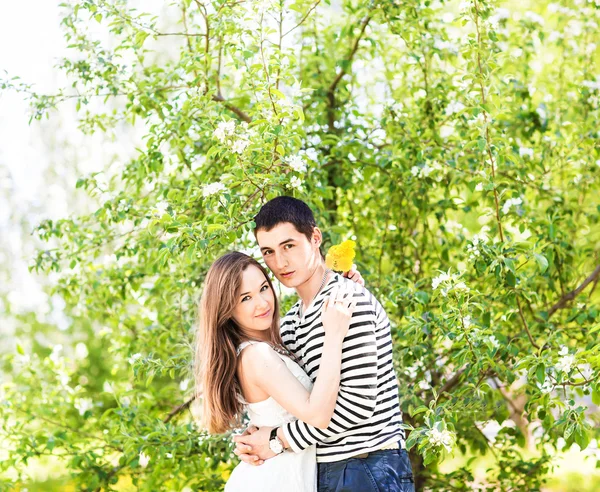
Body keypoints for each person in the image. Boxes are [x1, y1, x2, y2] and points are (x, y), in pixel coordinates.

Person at [233, 196, 415, 491]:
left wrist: (277, 441)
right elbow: (294, 400)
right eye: (269, 251)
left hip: (367, 467)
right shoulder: (290, 323)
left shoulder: (347, 300)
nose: (280, 262)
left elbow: (356, 407)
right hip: (321, 471)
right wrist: (252, 438)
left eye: (288, 245)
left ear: (315, 237)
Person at [194, 251, 360, 491]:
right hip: (275, 478)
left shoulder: (273, 345)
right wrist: (335, 335)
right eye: (245, 298)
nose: (262, 303)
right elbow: (318, 415)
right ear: (226, 310)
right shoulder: (256, 355)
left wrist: (343, 287)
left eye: (263, 288)